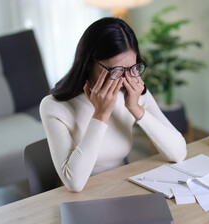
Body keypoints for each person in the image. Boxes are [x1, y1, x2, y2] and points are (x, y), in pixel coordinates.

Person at [39, 17, 187, 192]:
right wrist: (101, 114)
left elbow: (178, 153)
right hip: (80, 198)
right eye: (116, 70)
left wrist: (136, 108)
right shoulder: (54, 106)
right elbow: (74, 183)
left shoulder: (133, 91)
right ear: (88, 64)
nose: (125, 79)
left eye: (132, 68)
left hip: (120, 187)